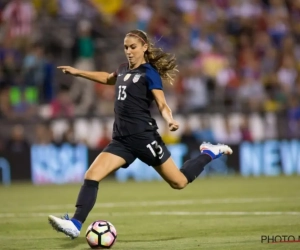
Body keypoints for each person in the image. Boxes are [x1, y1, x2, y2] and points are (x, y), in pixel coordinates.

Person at [48, 29, 233, 239]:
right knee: (91, 175)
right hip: (121, 141)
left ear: (144, 47)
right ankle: (75, 223)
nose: (128, 51)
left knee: (179, 182)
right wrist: (78, 72)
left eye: (133, 47)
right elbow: (108, 78)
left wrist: (170, 119)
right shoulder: (122, 70)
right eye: (126, 47)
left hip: (145, 138)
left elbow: (162, 103)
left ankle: (209, 152)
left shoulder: (149, 73)